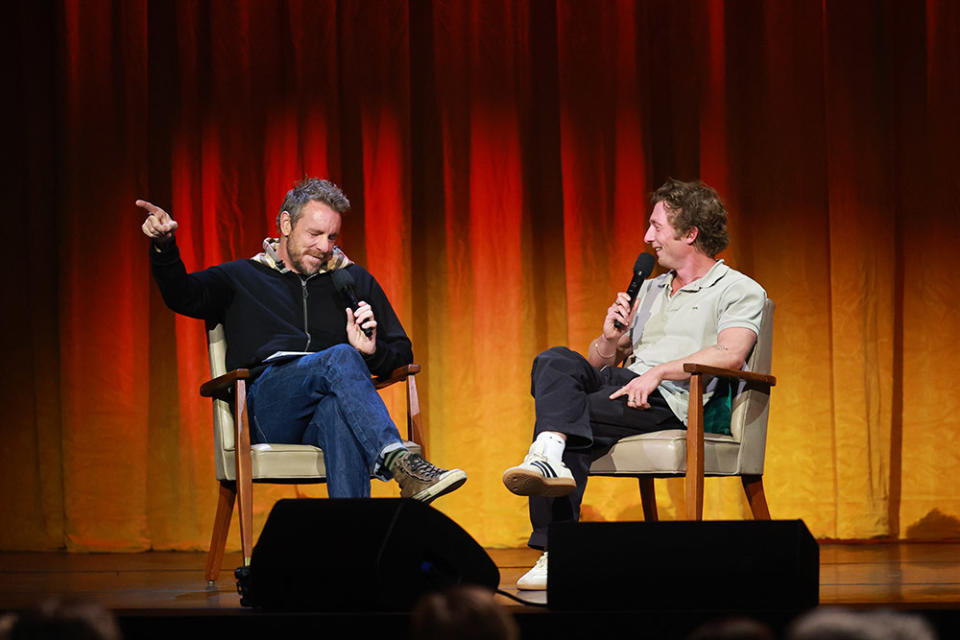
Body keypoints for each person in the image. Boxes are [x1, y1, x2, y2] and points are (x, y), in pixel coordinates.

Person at [502, 178, 766, 589]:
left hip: (674, 399)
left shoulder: (736, 288)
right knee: (554, 359)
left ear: (690, 233)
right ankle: (548, 453)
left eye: (657, 227)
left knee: (569, 422)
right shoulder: (651, 288)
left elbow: (730, 353)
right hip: (624, 383)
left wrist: (658, 372)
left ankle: (556, 547)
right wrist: (609, 339)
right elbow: (601, 362)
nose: (647, 238)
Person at [138, 177, 466, 502]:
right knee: (339, 356)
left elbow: (401, 351)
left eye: (332, 236)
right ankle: (401, 464)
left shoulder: (352, 281)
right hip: (269, 409)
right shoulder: (242, 277)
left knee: (340, 411)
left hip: (321, 412)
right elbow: (182, 295)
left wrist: (371, 353)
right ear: (285, 224)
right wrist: (164, 247)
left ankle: (355, 547)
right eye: (314, 234)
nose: (325, 247)